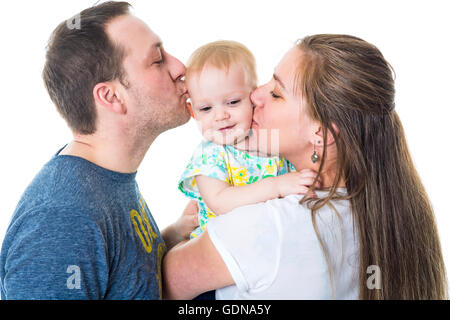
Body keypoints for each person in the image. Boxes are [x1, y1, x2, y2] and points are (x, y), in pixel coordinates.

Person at [163, 34, 448, 299]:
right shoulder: (383, 215)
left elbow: (160, 281)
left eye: (276, 93)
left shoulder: (265, 226)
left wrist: (173, 235)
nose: (255, 95)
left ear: (321, 135)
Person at [0, 1, 197, 299]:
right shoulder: (62, 219)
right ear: (111, 96)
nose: (180, 67)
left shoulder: (107, 179)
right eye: (158, 60)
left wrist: (171, 239)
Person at [179, 40, 320, 239]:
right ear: (193, 112)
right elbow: (220, 202)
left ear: (252, 96)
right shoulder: (209, 154)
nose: (220, 116)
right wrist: (276, 186)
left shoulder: (269, 138)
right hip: (221, 249)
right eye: (206, 109)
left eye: (233, 102)